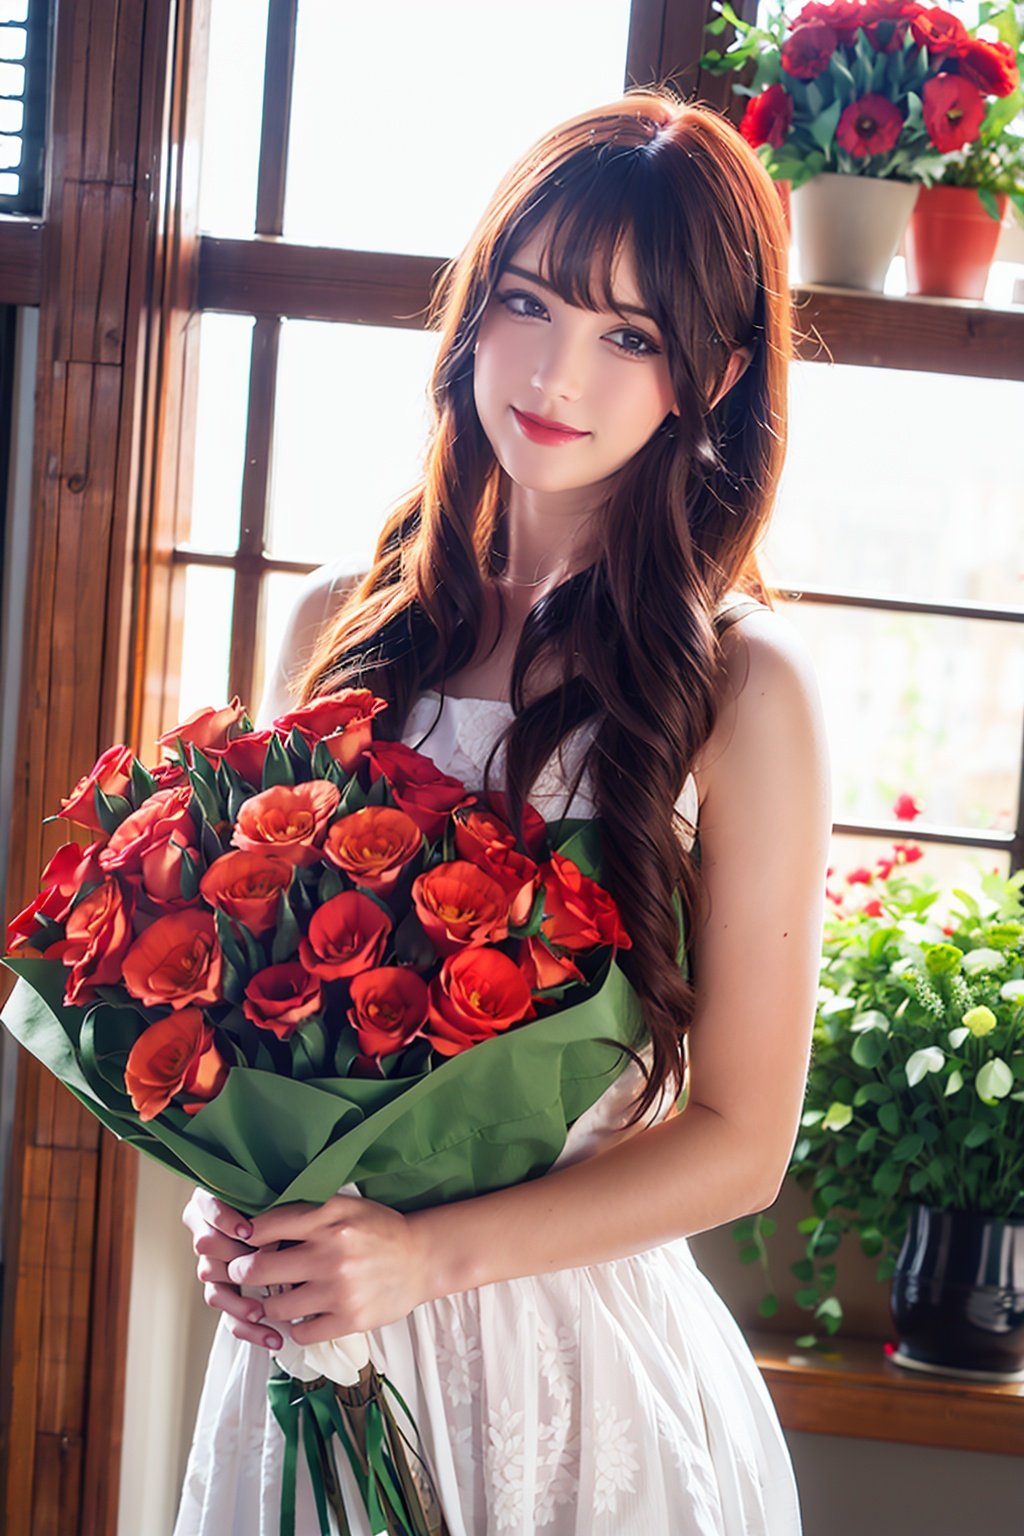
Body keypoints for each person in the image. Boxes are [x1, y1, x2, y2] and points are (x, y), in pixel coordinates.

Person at [174, 86, 832, 1535]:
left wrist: (425, 1260)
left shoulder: (742, 690)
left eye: (629, 334)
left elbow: (738, 1137)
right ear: (473, 311)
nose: (557, 372)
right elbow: (257, 1008)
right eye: (529, 303)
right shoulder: (335, 629)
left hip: (564, 1370)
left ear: (709, 378)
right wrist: (235, 1197)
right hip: (318, 1333)